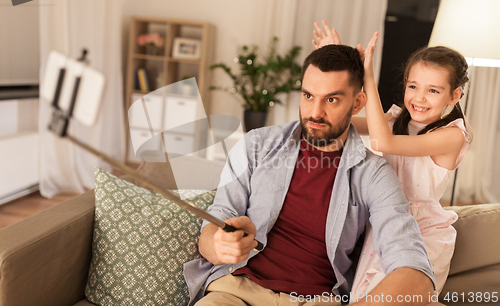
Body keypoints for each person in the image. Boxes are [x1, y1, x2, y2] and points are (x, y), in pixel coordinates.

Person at [183, 44, 436, 306]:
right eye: (308, 96)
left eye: (331, 99)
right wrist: (219, 245)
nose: (315, 112)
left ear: (358, 103)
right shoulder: (255, 145)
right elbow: (213, 228)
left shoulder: (374, 175)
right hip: (235, 290)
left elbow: (416, 273)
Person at [312, 20, 470, 301]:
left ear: (454, 95)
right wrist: (337, 66)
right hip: (384, 222)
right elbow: (342, 124)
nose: (419, 98)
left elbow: (382, 142)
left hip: (422, 233)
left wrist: (368, 74)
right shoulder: (396, 120)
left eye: (433, 90)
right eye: (413, 86)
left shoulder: (452, 136)